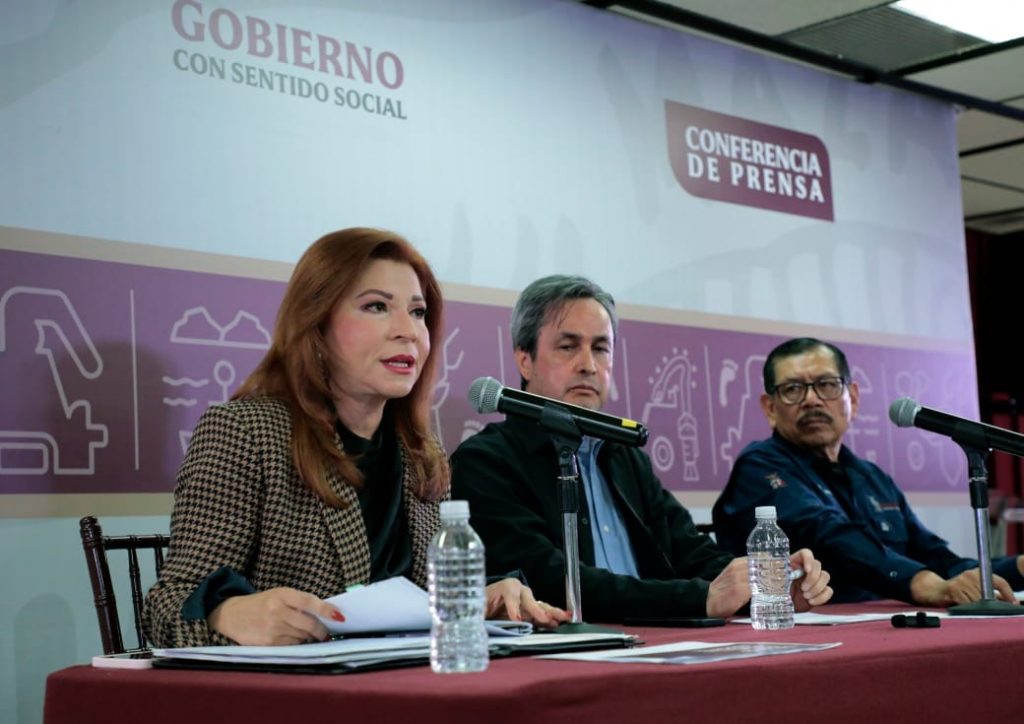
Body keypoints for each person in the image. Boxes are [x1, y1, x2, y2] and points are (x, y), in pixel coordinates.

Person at [144, 228, 568, 648]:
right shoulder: (244, 433)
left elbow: (416, 604)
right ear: (316, 324)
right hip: (294, 686)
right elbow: (168, 607)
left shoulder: (423, 455)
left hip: (400, 678)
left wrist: (477, 600)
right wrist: (225, 615)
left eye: (418, 312)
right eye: (377, 306)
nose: (407, 330)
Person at [450, 275, 832, 622]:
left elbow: (693, 554)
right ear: (525, 360)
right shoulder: (486, 461)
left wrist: (768, 584)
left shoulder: (623, 455)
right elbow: (550, 581)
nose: (588, 365)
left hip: (658, 645)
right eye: (568, 347)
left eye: (601, 348)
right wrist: (699, 598)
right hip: (571, 656)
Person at [712, 337, 1024, 606]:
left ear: (853, 398)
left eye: (826, 385)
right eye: (793, 389)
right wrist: (925, 585)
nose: (811, 400)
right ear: (770, 408)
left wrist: (1018, 568)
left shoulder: (872, 477)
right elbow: (830, 536)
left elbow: (938, 560)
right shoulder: (759, 467)